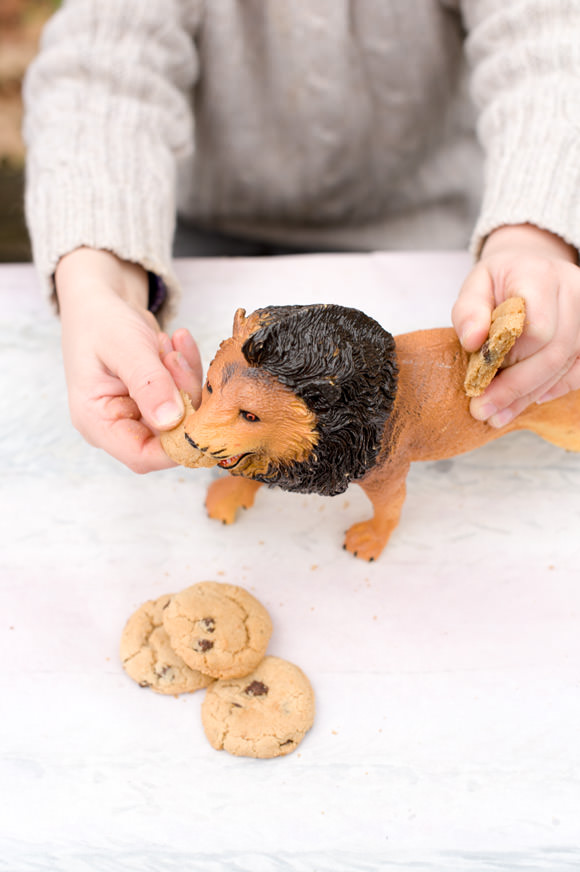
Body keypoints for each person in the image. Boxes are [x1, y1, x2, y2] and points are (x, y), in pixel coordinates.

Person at [23, 1, 580, 473]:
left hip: (442, 232)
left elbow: (549, 43)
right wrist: (98, 279)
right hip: (196, 232)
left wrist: (534, 234)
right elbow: (101, 67)